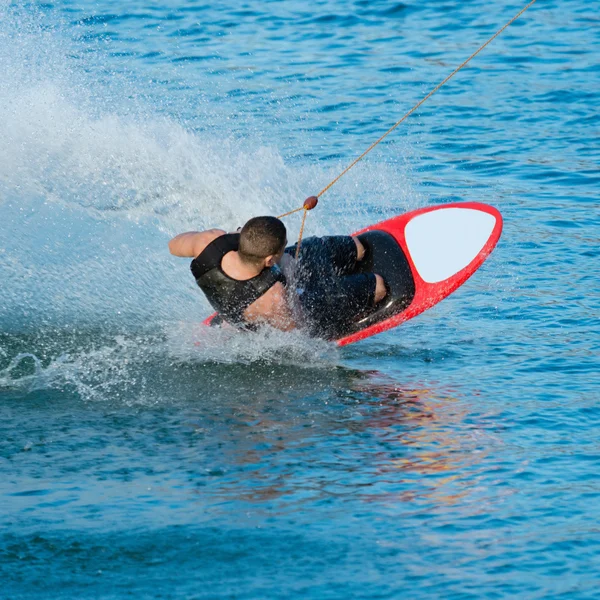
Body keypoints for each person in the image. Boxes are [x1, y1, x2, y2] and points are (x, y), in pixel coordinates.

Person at [168, 216, 388, 338]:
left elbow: (173, 245)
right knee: (378, 286)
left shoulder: (209, 241)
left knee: (357, 248)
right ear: (269, 260)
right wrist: (291, 279)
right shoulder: (273, 297)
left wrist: (228, 236)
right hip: (283, 306)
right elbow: (299, 333)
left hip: (250, 287)